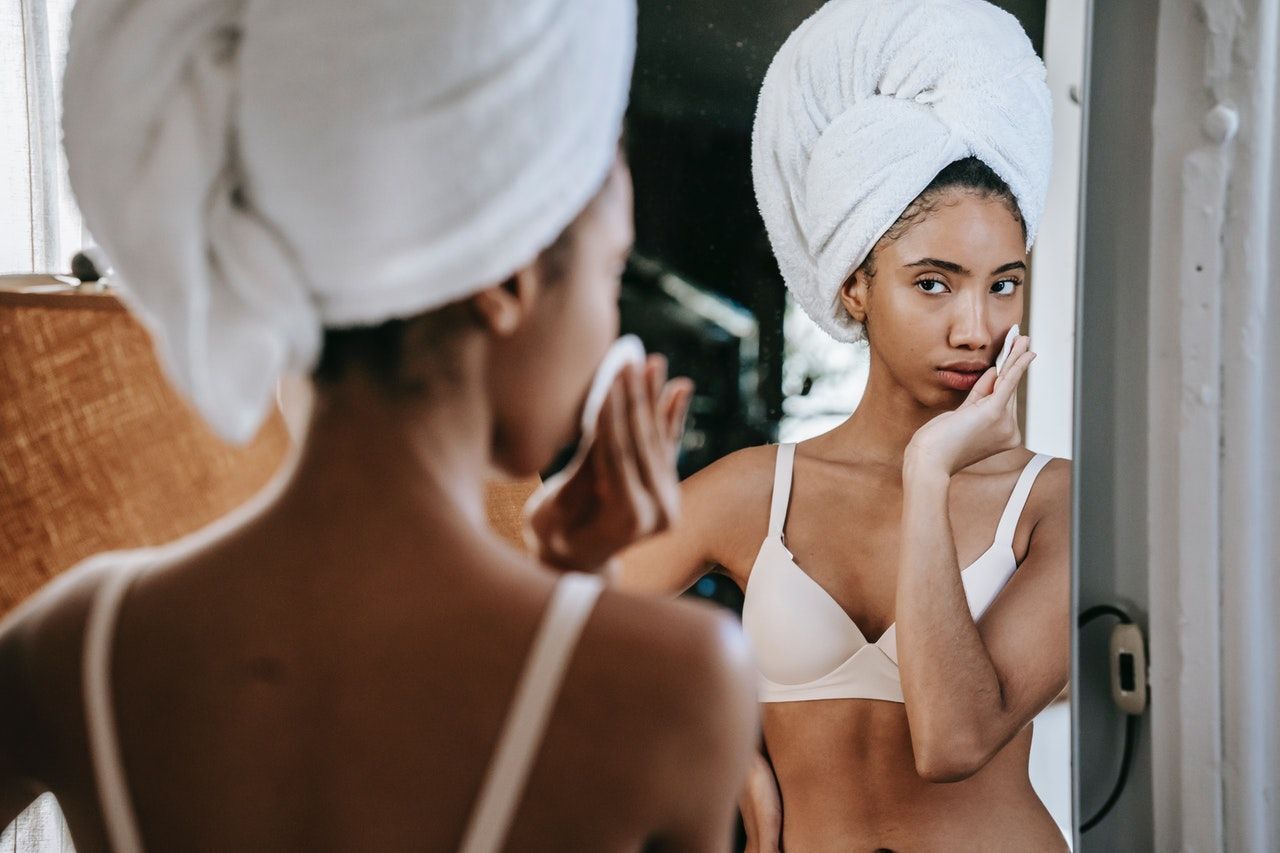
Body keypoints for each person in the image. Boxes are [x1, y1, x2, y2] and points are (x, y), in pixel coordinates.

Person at [0, 0, 758, 850]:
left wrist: (565, 575)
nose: (610, 327)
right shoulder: (679, 682)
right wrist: (576, 592)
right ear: (507, 280)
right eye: (611, 267)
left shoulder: (77, 645)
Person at [617, 1, 1070, 850]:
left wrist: (930, 474)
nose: (978, 327)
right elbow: (540, 628)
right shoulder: (758, 491)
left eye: (1003, 283)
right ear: (855, 287)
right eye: (934, 283)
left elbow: (952, 741)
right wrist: (708, 747)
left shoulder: (1050, 503)